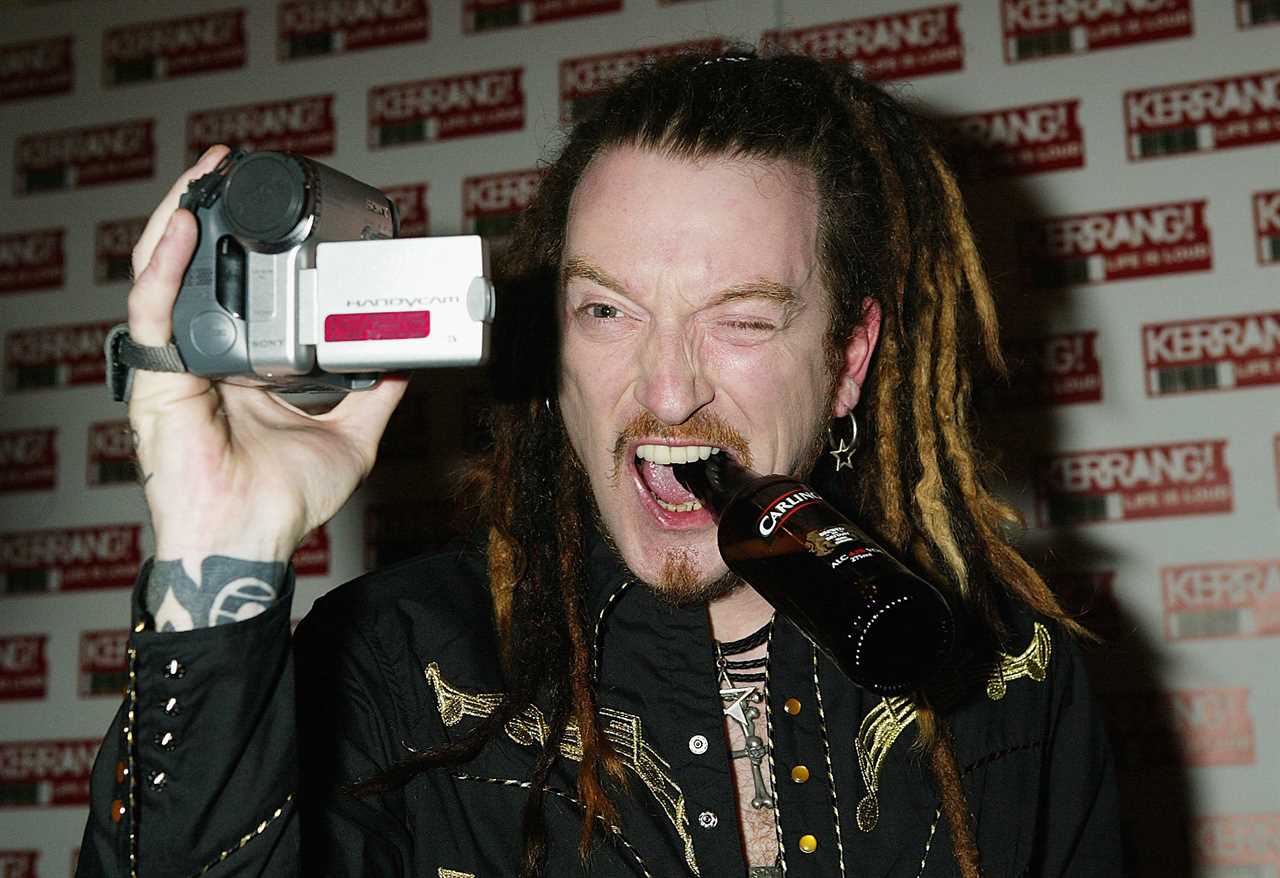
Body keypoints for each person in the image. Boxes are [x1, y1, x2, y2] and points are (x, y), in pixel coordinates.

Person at [78, 51, 1121, 877]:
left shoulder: (1008, 677)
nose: (666, 393)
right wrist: (219, 561)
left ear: (846, 358)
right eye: (606, 310)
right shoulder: (398, 667)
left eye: (742, 320)